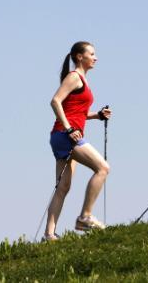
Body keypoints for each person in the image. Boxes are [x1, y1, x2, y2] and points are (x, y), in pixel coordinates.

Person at [44, 41, 112, 241]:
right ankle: (85, 217)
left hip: (62, 136)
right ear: (79, 56)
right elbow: (55, 101)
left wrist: (97, 115)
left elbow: (77, 111)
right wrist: (69, 128)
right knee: (103, 168)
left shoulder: (82, 79)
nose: (95, 57)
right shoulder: (74, 77)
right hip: (66, 135)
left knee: (63, 187)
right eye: (92, 53)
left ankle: (49, 235)